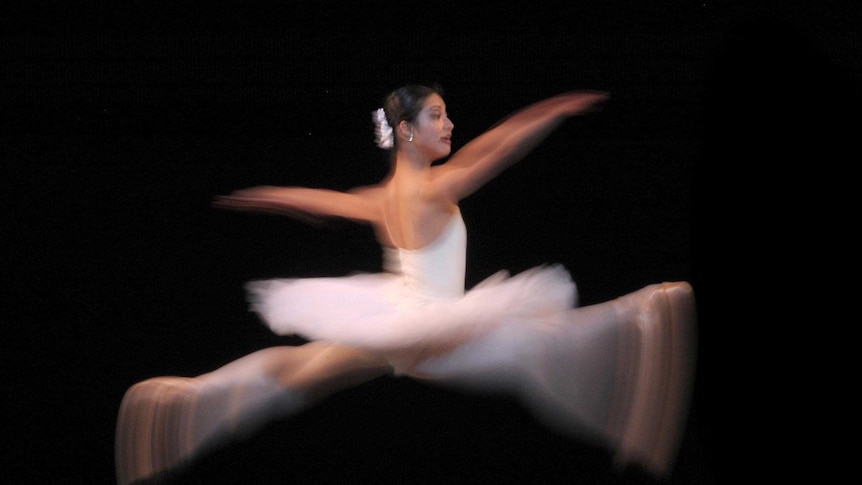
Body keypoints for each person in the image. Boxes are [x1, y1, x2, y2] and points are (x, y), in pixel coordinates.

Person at [115, 85, 696, 484]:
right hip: (429, 330)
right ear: (406, 130)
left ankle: (189, 398)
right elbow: (500, 146)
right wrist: (553, 111)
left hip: (393, 326)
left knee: (298, 373)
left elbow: (328, 201)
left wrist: (278, 197)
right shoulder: (434, 189)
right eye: (438, 116)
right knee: (531, 343)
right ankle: (640, 325)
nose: (449, 124)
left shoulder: (379, 198)